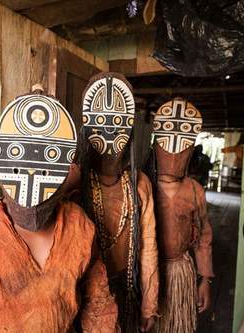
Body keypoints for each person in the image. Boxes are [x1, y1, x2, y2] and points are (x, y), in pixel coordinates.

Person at [0, 89, 119, 333]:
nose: (32, 173)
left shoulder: (78, 226)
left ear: (66, 168)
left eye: (49, 156)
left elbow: (98, 306)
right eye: (19, 154)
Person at [77, 72, 159, 332]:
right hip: (82, 296)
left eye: (119, 124)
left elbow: (148, 248)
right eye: (100, 121)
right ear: (86, 127)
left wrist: (149, 304)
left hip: (126, 292)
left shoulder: (140, 184)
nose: (111, 132)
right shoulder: (74, 184)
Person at [148, 97, 214, 333]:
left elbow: (204, 237)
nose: (174, 158)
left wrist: (205, 280)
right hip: (149, 275)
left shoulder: (194, 190)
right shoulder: (143, 187)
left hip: (181, 275)